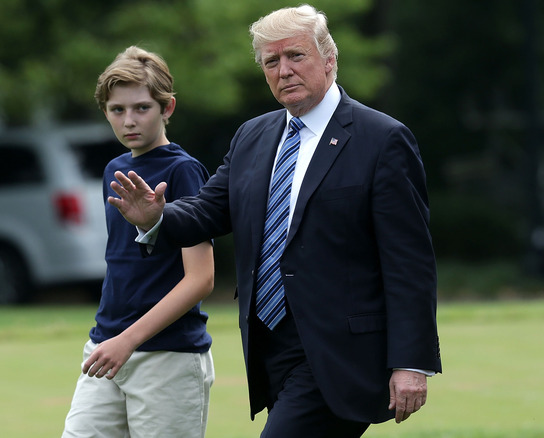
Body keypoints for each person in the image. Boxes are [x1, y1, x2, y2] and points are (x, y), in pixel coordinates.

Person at [105, 5, 441, 437]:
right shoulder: (253, 136)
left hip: (342, 351)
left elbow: (409, 260)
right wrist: (157, 218)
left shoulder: (382, 139)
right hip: (269, 345)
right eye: (271, 61)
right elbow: (208, 210)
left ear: (329, 60)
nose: (284, 70)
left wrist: (411, 363)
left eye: (296, 56)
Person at [62, 46, 215, 438]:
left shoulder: (183, 171)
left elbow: (201, 279)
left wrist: (128, 340)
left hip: (168, 356)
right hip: (105, 345)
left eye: (142, 108)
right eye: (117, 110)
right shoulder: (115, 168)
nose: (129, 120)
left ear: (168, 108)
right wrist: (113, 339)